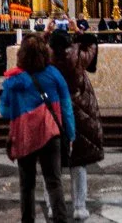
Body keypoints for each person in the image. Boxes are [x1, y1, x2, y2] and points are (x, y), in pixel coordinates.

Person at [0, 34, 74, 223]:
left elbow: (4, 111)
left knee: (27, 184)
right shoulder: (54, 74)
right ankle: (60, 219)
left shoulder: (13, 80)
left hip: (25, 135)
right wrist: (70, 133)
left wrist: (22, 105)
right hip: (50, 133)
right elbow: (66, 107)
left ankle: (28, 220)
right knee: (54, 182)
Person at [52, 31, 103, 222]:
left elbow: (34, 47)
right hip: (79, 114)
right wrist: (79, 31)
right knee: (79, 162)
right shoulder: (78, 56)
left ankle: (52, 205)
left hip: (53, 111)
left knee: (52, 164)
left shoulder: (46, 57)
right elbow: (92, 45)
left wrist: (46, 32)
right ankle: (79, 207)